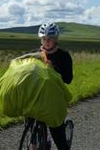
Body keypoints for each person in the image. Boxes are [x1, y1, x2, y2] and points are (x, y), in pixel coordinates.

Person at [37, 22, 73, 150]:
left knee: (59, 139)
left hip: (55, 98)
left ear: (56, 39)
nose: (47, 42)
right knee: (33, 131)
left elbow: (68, 79)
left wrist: (54, 69)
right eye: (44, 39)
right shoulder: (35, 54)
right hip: (37, 95)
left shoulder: (64, 56)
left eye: (50, 39)